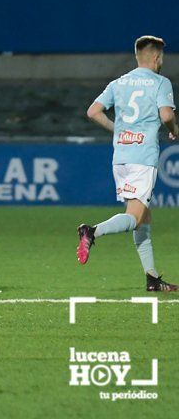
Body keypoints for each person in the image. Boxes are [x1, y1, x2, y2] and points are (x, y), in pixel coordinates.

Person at [78, 35, 178, 292]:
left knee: (143, 218)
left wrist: (117, 130)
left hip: (121, 156)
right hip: (143, 157)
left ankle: (152, 278)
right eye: (161, 57)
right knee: (134, 217)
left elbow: (92, 111)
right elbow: (166, 114)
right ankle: (92, 231)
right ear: (156, 57)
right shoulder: (160, 82)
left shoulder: (119, 82)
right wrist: (174, 129)